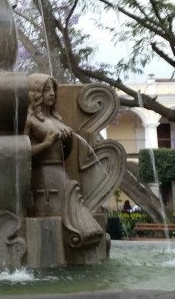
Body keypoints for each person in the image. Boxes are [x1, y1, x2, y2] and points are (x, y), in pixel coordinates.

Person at [25, 74, 104, 249]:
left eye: (53, 89)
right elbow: (22, 152)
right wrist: (46, 144)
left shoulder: (56, 120)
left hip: (62, 174)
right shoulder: (30, 120)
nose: (52, 93)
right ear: (36, 94)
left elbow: (64, 155)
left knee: (74, 212)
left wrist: (68, 142)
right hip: (43, 177)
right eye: (46, 89)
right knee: (57, 219)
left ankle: (81, 241)